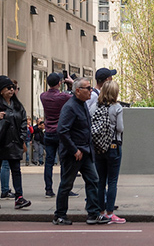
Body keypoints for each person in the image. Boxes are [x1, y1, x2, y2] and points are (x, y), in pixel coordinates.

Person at [53, 77, 110, 225]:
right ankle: (59, 215)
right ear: (78, 91)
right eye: (88, 88)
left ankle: (93, 213)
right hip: (74, 154)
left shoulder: (82, 104)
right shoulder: (70, 107)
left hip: (85, 151)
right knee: (66, 184)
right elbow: (62, 131)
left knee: (93, 180)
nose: (91, 91)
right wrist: (74, 150)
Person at [89, 80, 126, 222]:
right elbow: (120, 128)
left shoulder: (94, 106)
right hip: (113, 146)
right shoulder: (117, 108)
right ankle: (110, 213)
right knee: (112, 181)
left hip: (98, 147)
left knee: (100, 181)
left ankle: (101, 211)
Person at [40, 72, 78, 199]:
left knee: (49, 162)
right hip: (61, 132)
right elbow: (75, 97)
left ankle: (48, 189)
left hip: (48, 132)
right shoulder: (63, 97)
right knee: (64, 162)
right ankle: (65, 188)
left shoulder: (43, 96)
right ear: (59, 83)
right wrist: (71, 85)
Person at [0, 75, 31, 209]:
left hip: (14, 142)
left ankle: (19, 197)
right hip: (1, 142)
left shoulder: (17, 105)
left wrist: (22, 138)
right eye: (8, 88)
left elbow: (24, 121)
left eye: (13, 88)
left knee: (16, 170)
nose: (11, 90)